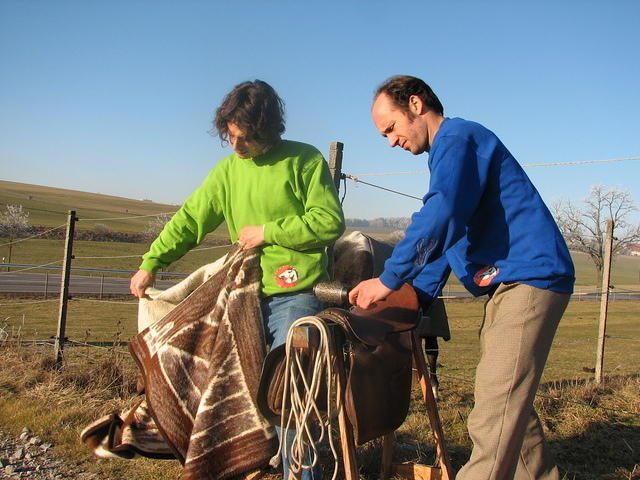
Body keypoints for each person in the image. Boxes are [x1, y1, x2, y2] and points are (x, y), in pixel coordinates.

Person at [349, 75, 574, 480]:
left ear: (415, 105)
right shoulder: (449, 152)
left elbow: (442, 215)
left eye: (391, 128)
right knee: (508, 405)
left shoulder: (459, 137)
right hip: (511, 284)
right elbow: (450, 236)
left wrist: (388, 279)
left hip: (529, 279)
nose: (391, 141)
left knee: (493, 410)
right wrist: (411, 297)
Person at [130, 79, 345, 480]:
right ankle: (223, 458)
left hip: (295, 293)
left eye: (244, 138)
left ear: (267, 130)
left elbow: (329, 221)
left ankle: (299, 472)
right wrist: (151, 262)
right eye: (230, 137)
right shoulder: (227, 172)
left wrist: (269, 231)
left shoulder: (304, 160)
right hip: (240, 293)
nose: (236, 146)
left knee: (290, 387)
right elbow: (191, 219)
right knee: (195, 363)